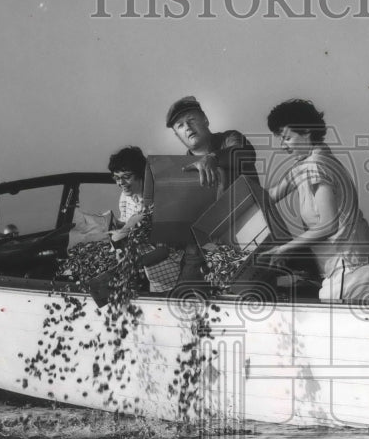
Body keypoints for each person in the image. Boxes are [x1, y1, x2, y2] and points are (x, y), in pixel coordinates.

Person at [262, 99, 369, 302]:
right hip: (352, 264)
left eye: (287, 138)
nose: (282, 146)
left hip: (353, 264)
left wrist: (283, 249)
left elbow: (328, 225)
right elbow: (270, 196)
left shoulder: (317, 165)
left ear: (307, 131)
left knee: (329, 325)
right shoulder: (307, 163)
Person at [106, 146, 183, 294]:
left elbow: (164, 251)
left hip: (173, 275)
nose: (120, 183)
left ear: (141, 174)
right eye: (116, 178)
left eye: (126, 177)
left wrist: (131, 265)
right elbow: (126, 226)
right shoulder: (125, 197)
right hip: (151, 275)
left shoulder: (159, 202)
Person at [166, 96, 257, 191]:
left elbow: (246, 153)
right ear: (177, 136)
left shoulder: (229, 138)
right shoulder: (182, 169)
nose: (187, 127)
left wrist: (214, 158)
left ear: (205, 119)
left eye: (191, 120)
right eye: (180, 125)